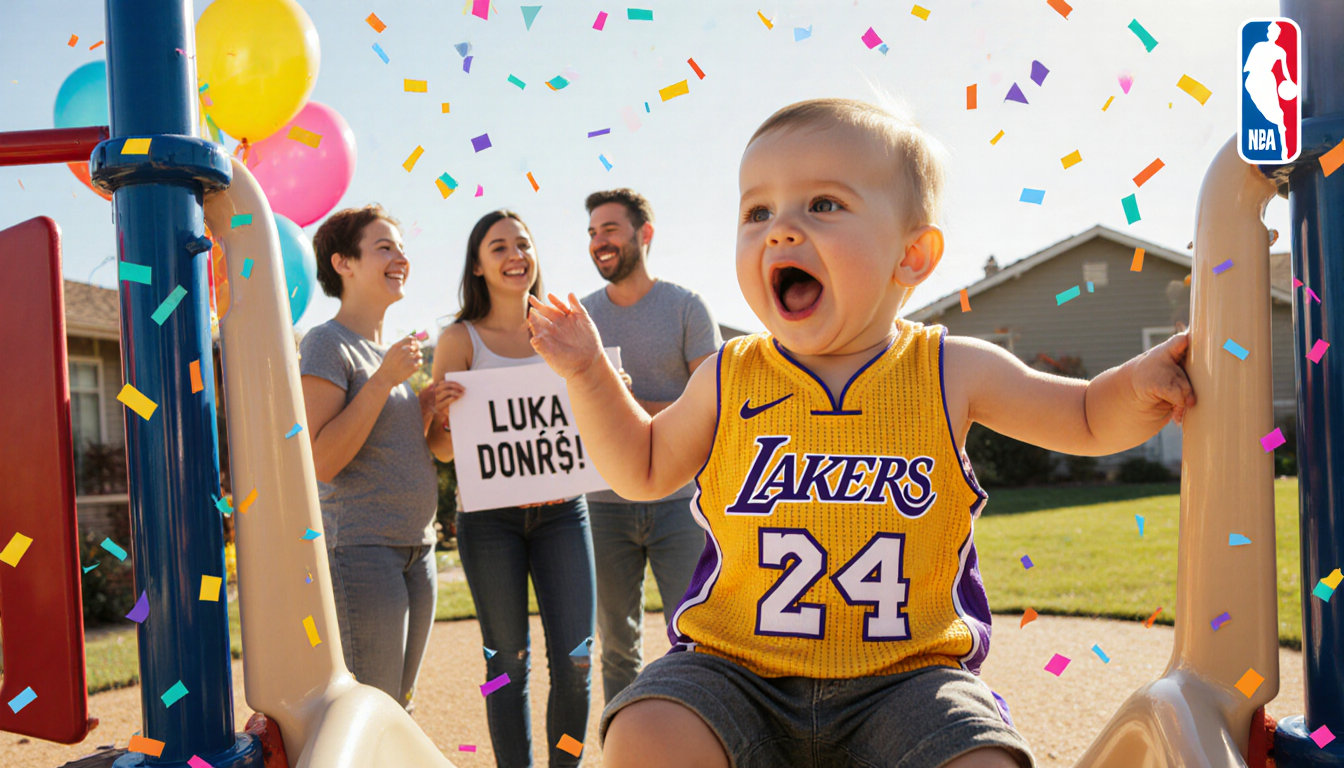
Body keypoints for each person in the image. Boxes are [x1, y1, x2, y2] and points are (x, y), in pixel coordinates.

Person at [526, 99, 1199, 768]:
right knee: (643, 731)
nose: (781, 231)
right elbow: (641, 467)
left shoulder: (949, 368)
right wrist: (587, 373)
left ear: (913, 254)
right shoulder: (728, 374)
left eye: (822, 205)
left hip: (908, 681)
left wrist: (1137, 384)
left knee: (983, 762)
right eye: (757, 212)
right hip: (734, 673)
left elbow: (1081, 415)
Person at [432, 210, 596, 768]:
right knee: (505, 663)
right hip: (490, 523)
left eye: (523, 243)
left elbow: (596, 419)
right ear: (477, 266)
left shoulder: (565, 327)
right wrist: (443, 417)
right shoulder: (458, 339)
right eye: (498, 246)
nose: (514, 255)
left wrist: (606, 390)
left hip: (562, 515)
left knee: (577, 662)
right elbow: (442, 450)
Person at [299, 204, 458, 711]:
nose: (400, 258)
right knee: (372, 709)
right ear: (343, 263)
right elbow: (321, 460)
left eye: (401, 248)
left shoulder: (383, 353)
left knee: (401, 706)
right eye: (384, 247)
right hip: (363, 551)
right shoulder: (328, 343)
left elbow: (382, 442)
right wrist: (387, 381)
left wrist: (425, 409)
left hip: (418, 549)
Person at [579, 188, 722, 704]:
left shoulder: (686, 308)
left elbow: (715, 408)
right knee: (617, 646)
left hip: (680, 503)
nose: (599, 241)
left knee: (698, 637)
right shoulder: (581, 318)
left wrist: (621, 403)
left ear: (645, 234)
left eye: (610, 229)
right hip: (601, 507)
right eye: (593, 232)